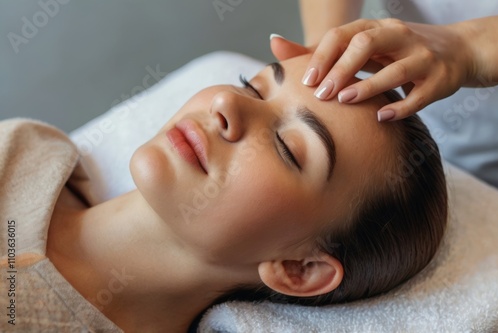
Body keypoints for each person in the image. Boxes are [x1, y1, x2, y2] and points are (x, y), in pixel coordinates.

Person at [0, 54, 447, 332]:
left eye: (288, 149)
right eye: (251, 87)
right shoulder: (30, 150)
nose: (226, 105)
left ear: (299, 269)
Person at [270, 1, 498, 188]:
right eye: (252, 90)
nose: (231, 97)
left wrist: (470, 48)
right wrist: (325, 47)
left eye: (288, 149)